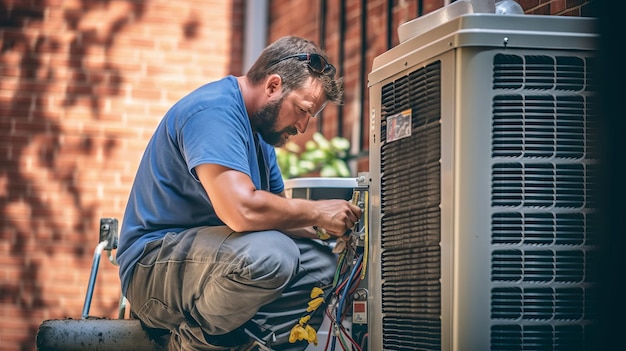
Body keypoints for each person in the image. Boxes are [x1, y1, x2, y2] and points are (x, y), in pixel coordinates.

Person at [115, 36, 362, 351]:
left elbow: (275, 217)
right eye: (302, 110)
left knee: (320, 266)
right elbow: (241, 210)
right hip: (152, 269)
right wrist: (316, 211)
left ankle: (251, 345)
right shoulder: (213, 111)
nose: (302, 127)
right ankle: (193, 344)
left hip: (208, 263)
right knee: (273, 255)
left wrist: (333, 229)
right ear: (273, 86)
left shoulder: (260, 137)